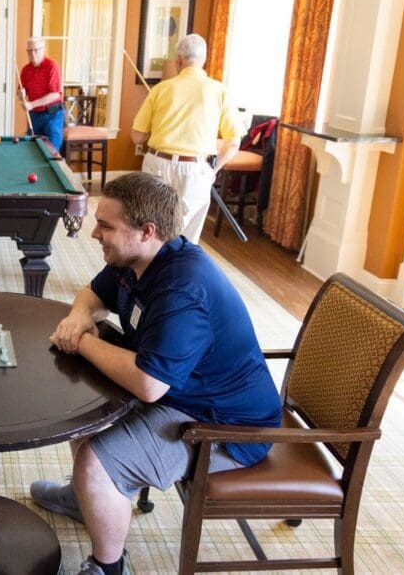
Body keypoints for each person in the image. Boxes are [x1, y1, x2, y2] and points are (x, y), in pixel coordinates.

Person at [29, 172, 281, 575]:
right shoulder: (137, 258)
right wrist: (78, 319)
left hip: (225, 428)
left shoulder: (183, 288)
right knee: (85, 406)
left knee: (96, 460)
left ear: (147, 231)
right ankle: (85, 499)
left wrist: (83, 342)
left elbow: (147, 385)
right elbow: (93, 294)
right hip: (182, 395)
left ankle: (108, 567)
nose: (94, 233)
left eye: (106, 226)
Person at [131, 33, 245, 244]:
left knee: (150, 228)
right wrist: (214, 168)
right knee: (185, 237)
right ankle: (175, 274)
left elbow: (137, 137)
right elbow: (233, 142)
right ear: (203, 60)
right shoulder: (220, 90)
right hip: (196, 169)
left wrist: (153, 129)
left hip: (158, 164)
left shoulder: (161, 89)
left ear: (179, 60)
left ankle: (146, 274)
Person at [18, 36, 65, 152]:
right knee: (33, 150)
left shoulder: (52, 66)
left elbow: (55, 94)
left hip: (53, 114)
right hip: (35, 115)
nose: (32, 54)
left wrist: (32, 104)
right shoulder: (25, 70)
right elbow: (21, 95)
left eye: (36, 50)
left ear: (43, 50)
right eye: (29, 51)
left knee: (52, 151)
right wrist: (21, 94)